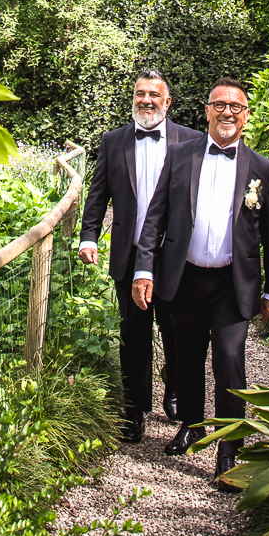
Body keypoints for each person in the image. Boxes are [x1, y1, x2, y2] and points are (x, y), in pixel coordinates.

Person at [132, 78, 269, 479]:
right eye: (220, 105)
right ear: (207, 110)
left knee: (231, 361)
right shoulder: (181, 156)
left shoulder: (261, 168)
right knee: (186, 356)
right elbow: (156, 218)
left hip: (233, 285)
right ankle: (191, 426)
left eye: (236, 106)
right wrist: (145, 268)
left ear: (246, 115)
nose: (228, 113)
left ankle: (229, 447)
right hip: (185, 278)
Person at [78, 69, 201, 442]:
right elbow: (98, 193)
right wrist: (89, 236)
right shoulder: (113, 142)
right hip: (130, 254)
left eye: (153, 94)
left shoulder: (191, 140)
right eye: (139, 94)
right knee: (133, 333)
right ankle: (133, 410)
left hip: (175, 256)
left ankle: (176, 388)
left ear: (167, 102)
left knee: (178, 329)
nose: (145, 100)